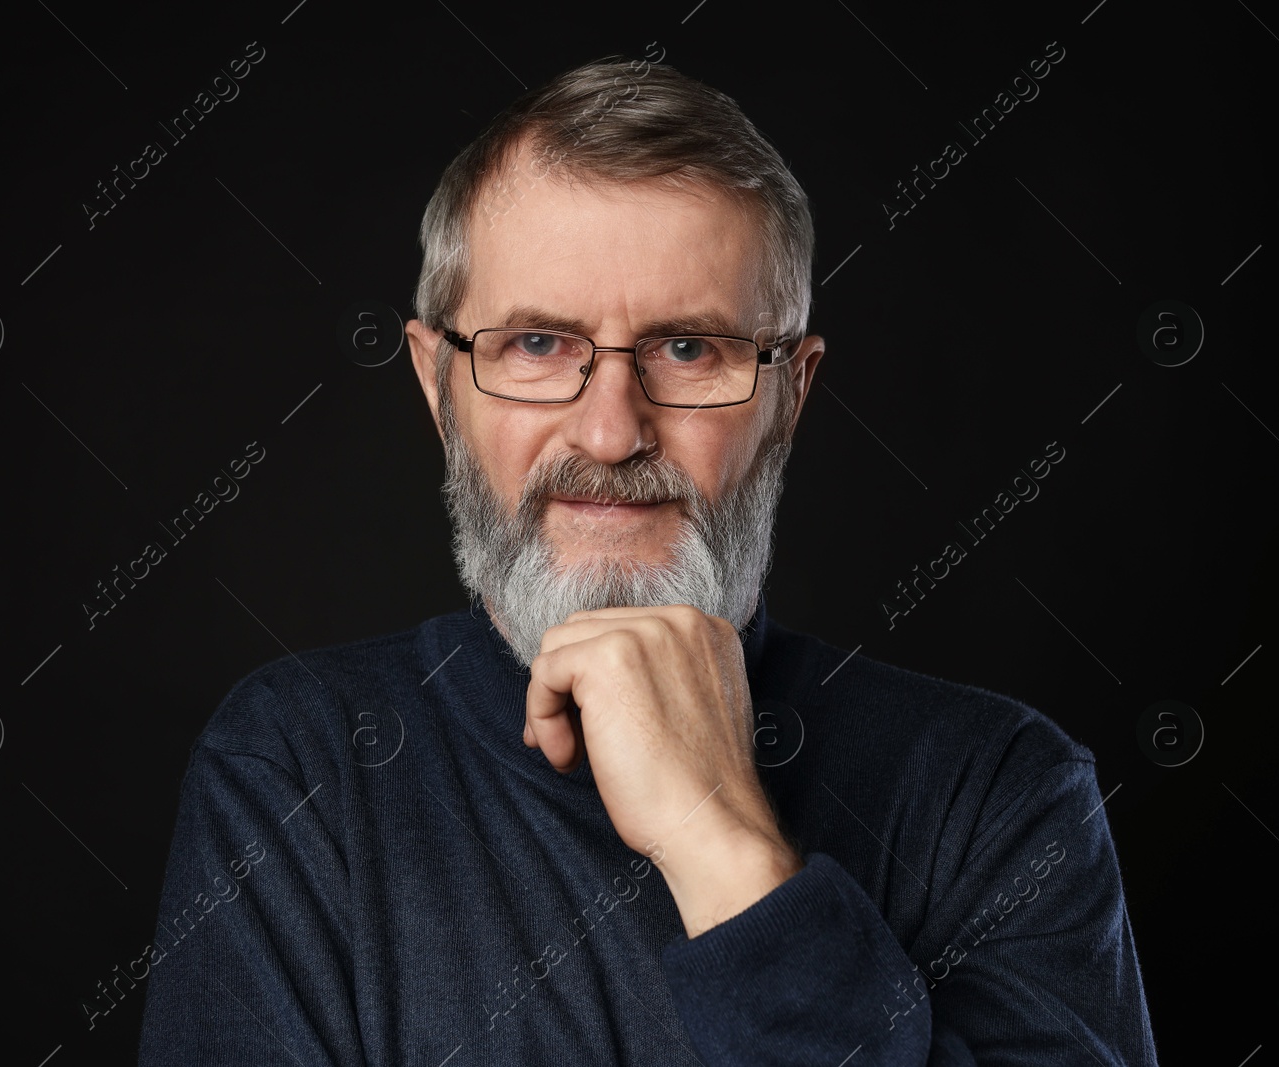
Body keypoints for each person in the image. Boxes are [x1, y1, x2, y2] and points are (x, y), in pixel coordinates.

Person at [136, 56, 1157, 1065]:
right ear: (440, 386)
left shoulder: (996, 793)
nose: (613, 431)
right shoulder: (298, 766)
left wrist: (723, 839)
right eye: (536, 343)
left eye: (686, 349)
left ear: (788, 396)